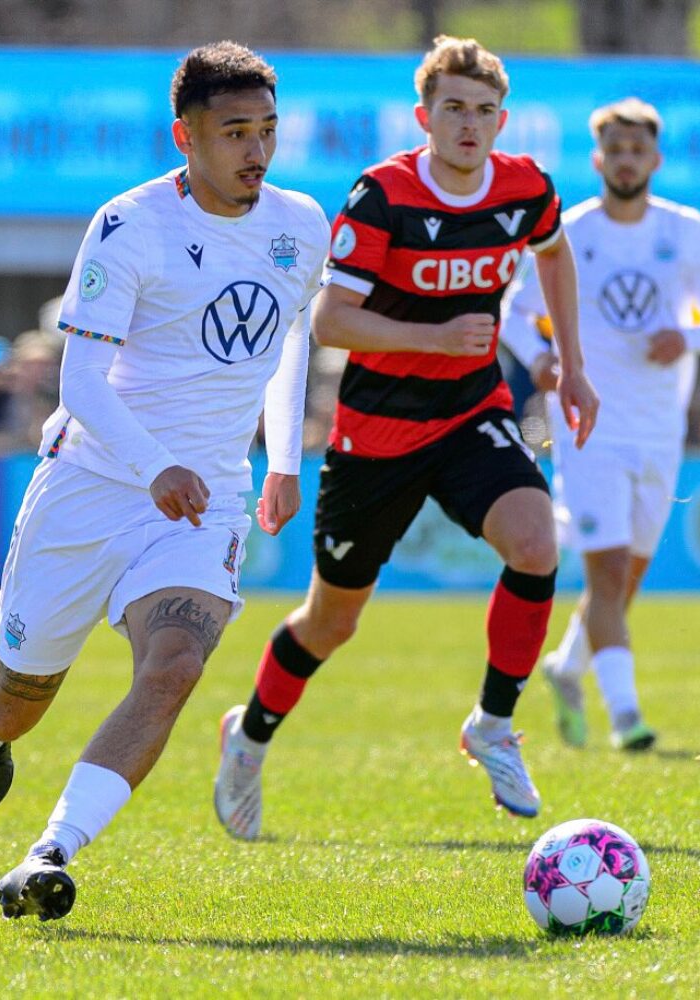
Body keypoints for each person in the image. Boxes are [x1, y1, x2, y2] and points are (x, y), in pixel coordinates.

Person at [0, 41, 330, 921]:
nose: (256, 151)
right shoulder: (129, 225)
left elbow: (285, 336)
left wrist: (280, 459)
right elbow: (81, 382)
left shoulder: (302, 222)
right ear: (185, 137)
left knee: (174, 666)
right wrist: (150, 464)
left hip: (202, 500)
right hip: (92, 483)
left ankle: (50, 851)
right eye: (235, 131)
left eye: (268, 131)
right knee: (16, 707)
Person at [214, 35, 598, 839]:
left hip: (471, 414)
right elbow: (329, 319)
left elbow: (556, 254)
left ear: (503, 121)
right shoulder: (383, 195)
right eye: (453, 109)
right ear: (425, 116)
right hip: (376, 434)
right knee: (331, 622)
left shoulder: (527, 189)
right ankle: (248, 737)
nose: (469, 124)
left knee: (537, 545)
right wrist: (437, 337)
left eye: (484, 111)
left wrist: (573, 361)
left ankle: (493, 725)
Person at [501, 97, 700, 751]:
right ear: (598, 159)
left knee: (627, 578)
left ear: (654, 160)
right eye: (617, 150)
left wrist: (685, 336)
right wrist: (544, 357)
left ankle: (566, 666)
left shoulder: (684, 229)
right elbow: (513, 314)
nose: (627, 161)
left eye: (639, 151)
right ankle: (627, 717)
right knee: (606, 574)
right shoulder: (570, 229)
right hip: (588, 424)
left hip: (661, 427)